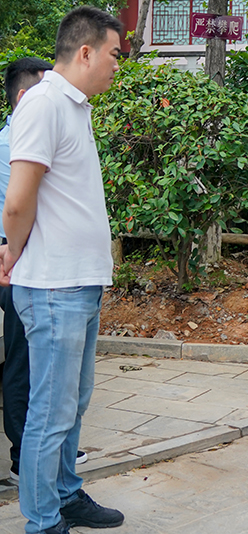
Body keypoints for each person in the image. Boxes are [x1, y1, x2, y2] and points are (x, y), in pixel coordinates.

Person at [0, 7, 125, 533]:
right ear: (86, 51)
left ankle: (66, 494)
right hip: (52, 285)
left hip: (80, 283)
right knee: (49, 414)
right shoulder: (44, 103)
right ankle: (43, 520)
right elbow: (18, 200)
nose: (118, 64)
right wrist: (12, 251)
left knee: (72, 406)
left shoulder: (75, 107)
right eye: (115, 54)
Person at [1, 58, 88, 488]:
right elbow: (18, 207)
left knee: (46, 373)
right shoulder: (15, 139)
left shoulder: (43, 127)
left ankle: (48, 463)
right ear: (24, 98)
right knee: (28, 367)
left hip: (32, 260)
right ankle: (27, 460)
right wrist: (12, 253)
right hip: (21, 263)